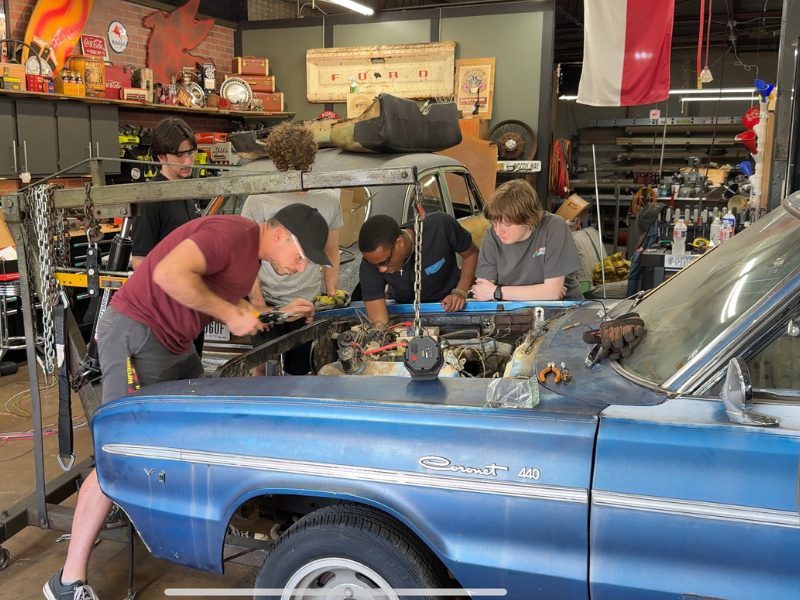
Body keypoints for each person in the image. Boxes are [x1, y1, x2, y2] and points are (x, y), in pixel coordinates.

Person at [43, 204, 329, 600]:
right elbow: (169, 273)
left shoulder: (250, 257)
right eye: (300, 257)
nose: (300, 267)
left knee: (199, 427)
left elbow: (239, 311)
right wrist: (229, 311)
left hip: (174, 345)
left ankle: (181, 521)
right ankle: (67, 581)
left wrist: (279, 313)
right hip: (136, 334)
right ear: (280, 235)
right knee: (119, 453)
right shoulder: (233, 235)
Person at [241, 123, 342, 375]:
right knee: (263, 369)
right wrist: (258, 303)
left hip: (306, 304)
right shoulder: (259, 200)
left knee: (299, 372)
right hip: (269, 300)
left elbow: (331, 250)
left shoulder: (328, 200)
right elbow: (247, 254)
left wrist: (331, 293)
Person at [131, 117, 205, 354]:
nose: (188, 161)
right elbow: (139, 261)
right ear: (161, 156)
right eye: (180, 155)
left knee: (194, 369)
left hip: (193, 304)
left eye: (191, 153)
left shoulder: (188, 191)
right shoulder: (151, 198)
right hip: (168, 311)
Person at [358, 212, 478, 327]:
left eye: (385, 262)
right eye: (375, 265)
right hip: (406, 314)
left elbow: (472, 254)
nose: (381, 269)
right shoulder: (371, 262)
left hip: (452, 309)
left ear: (399, 243)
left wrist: (460, 291)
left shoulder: (440, 226)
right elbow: (379, 323)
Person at [472, 179, 583, 302]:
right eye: (494, 223)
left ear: (528, 220)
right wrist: (541, 292)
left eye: (507, 225)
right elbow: (482, 292)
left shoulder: (554, 227)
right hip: (512, 305)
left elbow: (552, 293)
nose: (498, 232)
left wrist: (496, 292)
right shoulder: (492, 234)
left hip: (564, 305)